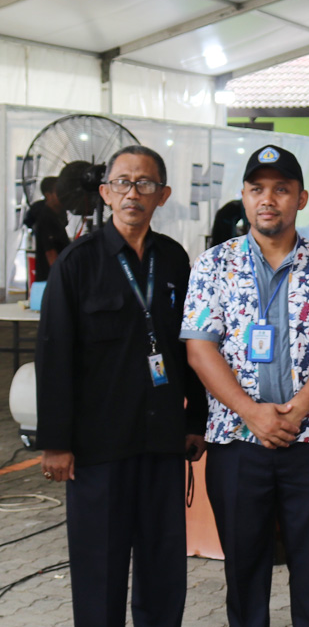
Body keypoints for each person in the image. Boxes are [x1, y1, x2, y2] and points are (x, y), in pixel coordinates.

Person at [180, 144, 309, 627]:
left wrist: (295, 412)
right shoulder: (213, 266)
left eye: (282, 189)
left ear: (301, 198)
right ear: (243, 196)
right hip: (237, 443)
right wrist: (251, 412)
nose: (268, 199)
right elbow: (199, 349)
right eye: (258, 189)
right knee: (245, 572)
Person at [36, 145, 208, 626]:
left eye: (146, 184)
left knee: (163, 567)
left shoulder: (174, 260)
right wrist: (55, 442)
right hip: (98, 450)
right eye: (124, 183)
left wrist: (195, 421)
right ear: (106, 193)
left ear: (163, 195)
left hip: (162, 444)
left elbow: (189, 349)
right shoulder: (76, 264)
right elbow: (53, 357)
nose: (134, 193)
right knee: (99, 571)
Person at [28, 175, 70, 282]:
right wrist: (62, 278)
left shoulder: (57, 216)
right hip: (49, 280)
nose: (63, 195)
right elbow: (50, 254)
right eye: (59, 192)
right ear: (48, 195)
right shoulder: (46, 218)